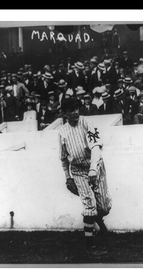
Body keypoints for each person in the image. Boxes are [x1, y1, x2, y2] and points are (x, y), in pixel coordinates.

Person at [59, 97, 112, 255]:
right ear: (65, 113)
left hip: (95, 166)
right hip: (78, 170)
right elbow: (63, 157)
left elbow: (96, 147)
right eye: (71, 110)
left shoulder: (88, 123)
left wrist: (94, 169)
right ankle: (89, 247)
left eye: (76, 108)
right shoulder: (62, 131)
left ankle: (99, 220)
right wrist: (68, 177)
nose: (75, 112)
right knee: (89, 206)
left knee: (104, 206)